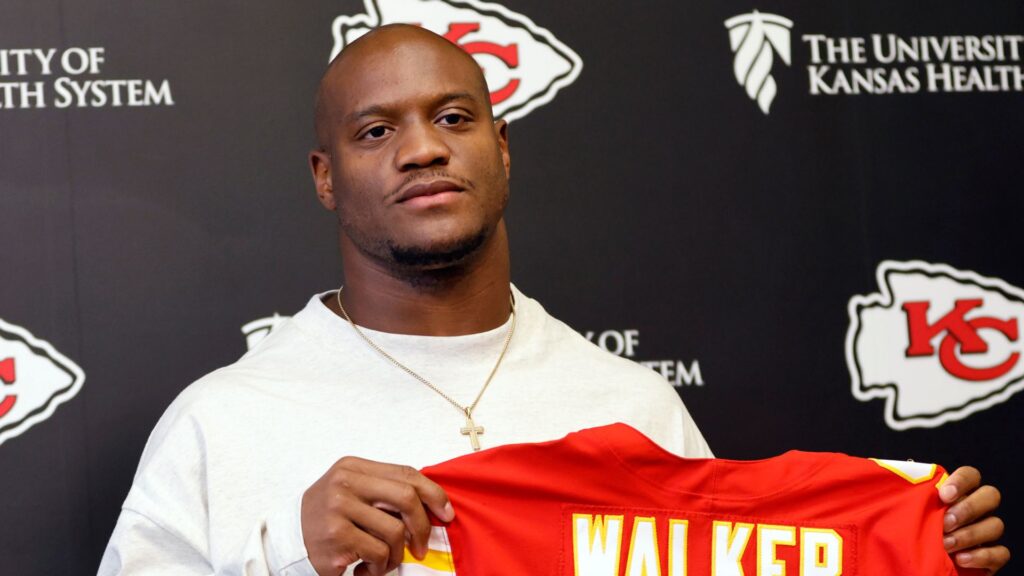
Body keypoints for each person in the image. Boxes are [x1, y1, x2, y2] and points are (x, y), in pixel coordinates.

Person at [99, 24, 1008, 576]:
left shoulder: (633, 404)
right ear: (325, 177)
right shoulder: (222, 421)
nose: (423, 149)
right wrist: (288, 557)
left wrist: (903, 550)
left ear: (502, 148)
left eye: (453, 118)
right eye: (376, 131)